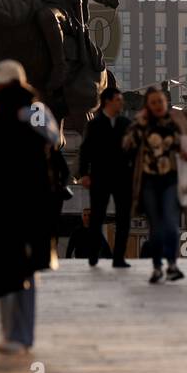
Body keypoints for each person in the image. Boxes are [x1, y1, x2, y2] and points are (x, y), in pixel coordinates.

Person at [0, 59, 61, 354]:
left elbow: (53, 138)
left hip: (26, 200)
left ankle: (21, 336)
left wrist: (23, 118)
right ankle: (12, 335)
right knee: (5, 266)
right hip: (3, 201)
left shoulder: (30, 110)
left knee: (23, 267)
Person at [123, 86, 187, 283]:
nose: (158, 105)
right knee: (155, 227)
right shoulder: (142, 124)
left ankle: (172, 264)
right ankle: (156, 267)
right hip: (149, 182)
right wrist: (139, 123)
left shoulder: (175, 122)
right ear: (148, 105)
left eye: (160, 101)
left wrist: (185, 152)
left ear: (165, 103)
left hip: (171, 180)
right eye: (153, 102)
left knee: (171, 224)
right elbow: (127, 145)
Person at [77, 85, 133, 267]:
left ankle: (118, 258)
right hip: (100, 177)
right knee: (97, 216)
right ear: (108, 101)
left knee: (123, 218)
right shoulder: (94, 124)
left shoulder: (125, 124)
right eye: (118, 100)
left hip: (122, 178)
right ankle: (93, 255)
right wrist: (84, 174)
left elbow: (133, 151)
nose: (121, 103)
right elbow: (85, 151)